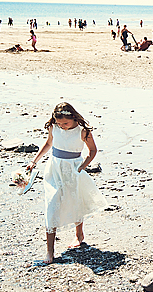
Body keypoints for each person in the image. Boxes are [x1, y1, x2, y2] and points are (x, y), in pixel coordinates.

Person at [26, 103, 108, 265]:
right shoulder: (54, 128)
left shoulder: (83, 131)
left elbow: (92, 150)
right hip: (54, 170)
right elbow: (49, 144)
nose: (62, 127)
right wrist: (34, 161)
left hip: (73, 169)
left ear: (73, 118)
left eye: (65, 123)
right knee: (51, 205)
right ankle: (50, 251)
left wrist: (83, 166)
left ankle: (79, 235)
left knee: (74, 200)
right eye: (59, 123)